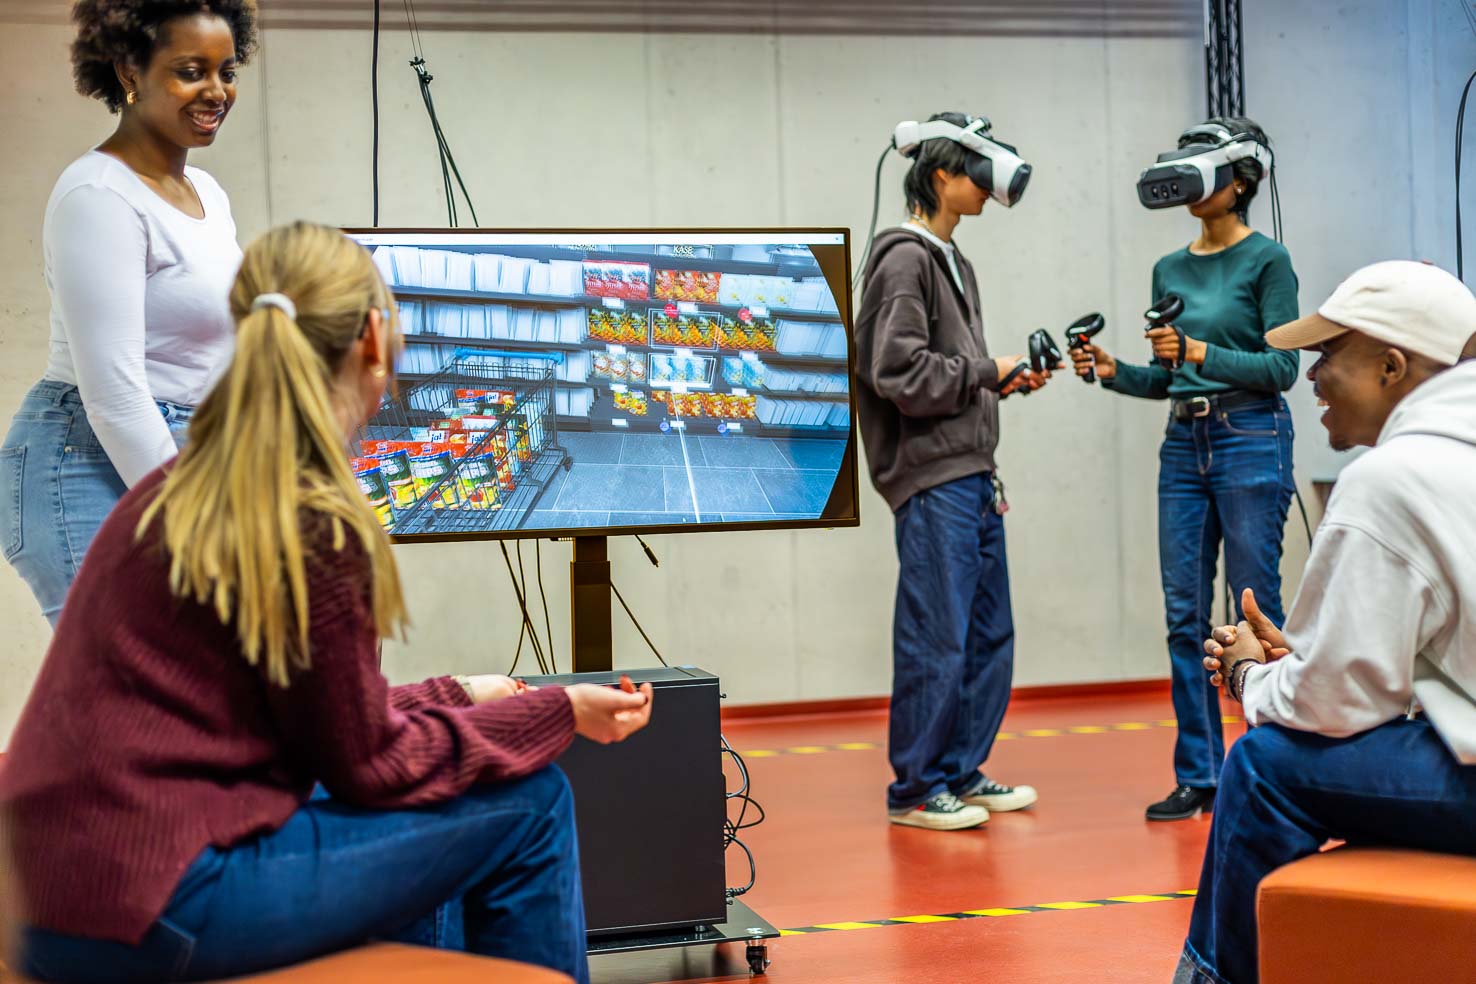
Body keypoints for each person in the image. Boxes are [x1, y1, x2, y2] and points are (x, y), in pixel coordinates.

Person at [0, 222, 655, 984]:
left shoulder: (174, 489)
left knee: (420, 802)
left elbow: (326, 720)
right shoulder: (308, 518)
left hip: (39, 896)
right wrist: (555, 712)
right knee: (532, 800)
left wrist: (464, 694)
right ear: (375, 337)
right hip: (157, 907)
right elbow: (370, 766)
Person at [1179, 260, 1476, 984]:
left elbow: (1333, 706)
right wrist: (1311, 664)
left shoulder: (1392, 478)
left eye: (1327, 354)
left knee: (1262, 766)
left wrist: (1253, 675)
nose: (1308, 376)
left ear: (1393, 364)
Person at [1070, 117, 1300, 821]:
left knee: (1254, 611)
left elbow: (1283, 366)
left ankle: (1279, 766)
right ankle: (1199, 774)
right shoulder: (1169, 268)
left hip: (1251, 433)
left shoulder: (1269, 260)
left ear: (1240, 182)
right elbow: (1170, 379)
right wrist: (1115, 372)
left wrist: (1199, 352)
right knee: (1183, 618)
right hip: (1184, 444)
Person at [0, 0, 254, 625]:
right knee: (121, 699)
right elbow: (114, 396)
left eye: (227, 70)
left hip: (177, 451)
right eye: (191, 70)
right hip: (85, 459)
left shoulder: (207, 194)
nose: (216, 91)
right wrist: (198, 519)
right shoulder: (99, 196)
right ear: (129, 71)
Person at [854, 111, 1051, 832]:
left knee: (987, 634)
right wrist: (984, 371)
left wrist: (1000, 379)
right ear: (940, 175)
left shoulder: (952, 261)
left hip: (970, 473)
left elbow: (949, 372)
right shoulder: (902, 256)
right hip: (932, 479)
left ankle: (960, 772)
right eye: (974, 173)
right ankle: (914, 788)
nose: (984, 189)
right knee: (938, 632)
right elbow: (895, 370)